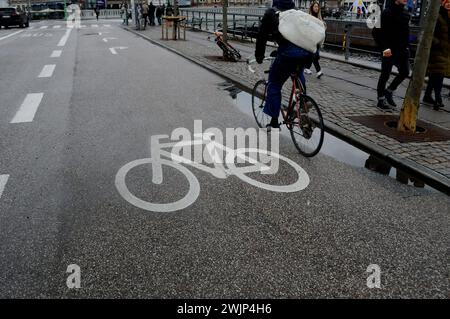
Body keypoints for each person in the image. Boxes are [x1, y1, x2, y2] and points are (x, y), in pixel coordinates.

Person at [255, 0, 315, 129]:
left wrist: (259, 56)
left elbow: (262, 36)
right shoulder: (297, 12)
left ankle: (274, 120)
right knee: (297, 72)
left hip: (287, 54)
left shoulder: (271, 13)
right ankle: (302, 100)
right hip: (305, 53)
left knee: (274, 84)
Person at [376, 0, 410, 111]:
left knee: (405, 72)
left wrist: (407, 47)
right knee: (385, 74)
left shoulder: (405, 13)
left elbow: (406, 32)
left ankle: (389, 91)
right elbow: (376, 32)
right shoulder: (387, 12)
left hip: (402, 50)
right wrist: (385, 48)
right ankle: (381, 99)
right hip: (388, 49)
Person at [423, 0, 450, 111]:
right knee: (438, 73)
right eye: (446, 2)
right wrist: (437, 43)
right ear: (442, 3)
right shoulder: (437, 15)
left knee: (436, 74)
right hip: (437, 50)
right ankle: (438, 98)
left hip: (446, 51)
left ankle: (427, 95)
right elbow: (429, 32)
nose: (449, 3)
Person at [304, 1, 325, 79]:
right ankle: (310, 69)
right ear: (312, 8)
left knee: (315, 56)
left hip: (318, 39)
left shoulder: (319, 17)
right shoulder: (309, 16)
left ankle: (310, 69)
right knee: (314, 54)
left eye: (317, 7)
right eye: (315, 6)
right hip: (311, 38)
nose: (316, 8)